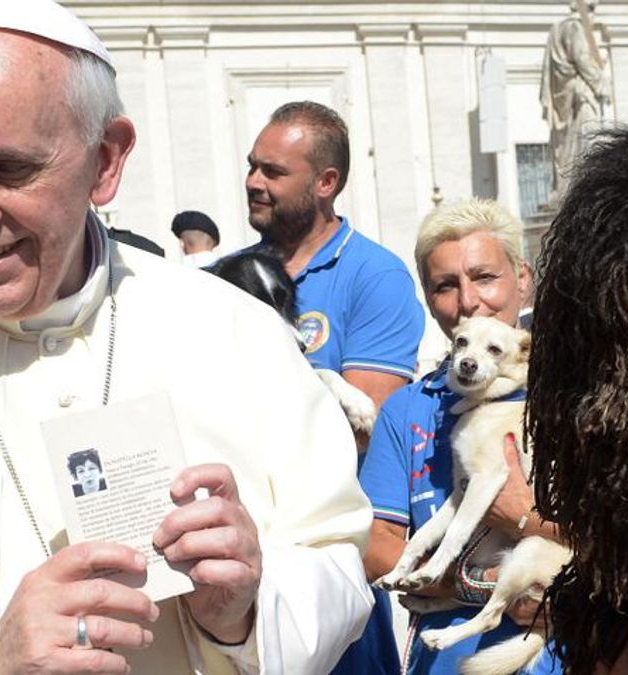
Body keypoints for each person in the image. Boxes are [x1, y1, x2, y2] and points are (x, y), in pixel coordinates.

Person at [0, 1, 373, 673]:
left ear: (106, 161)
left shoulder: (235, 332)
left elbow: (335, 557)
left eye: (7, 168)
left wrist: (248, 609)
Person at [359, 198, 628, 674]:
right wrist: (486, 583)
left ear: (522, 277)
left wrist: (526, 521)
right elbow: (376, 549)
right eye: (445, 286)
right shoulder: (407, 408)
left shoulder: (591, 391)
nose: (469, 300)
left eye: (484, 277)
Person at [246, 100, 425, 674]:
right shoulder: (229, 276)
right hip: (240, 556)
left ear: (326, 182)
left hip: (329, 558)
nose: (253, 182)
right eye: (252, 166)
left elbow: (367, 426)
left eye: (273, 172)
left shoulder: (373, 275)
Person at [540, 0, 611, 206]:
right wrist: (600, 84)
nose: (593, 15)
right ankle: (578, 186)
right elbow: (581, 58)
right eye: (592, 9)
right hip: (579, 94)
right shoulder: (573, 27)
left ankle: (568, 185)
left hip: (563, 95)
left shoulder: (556, 29)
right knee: (586, 135)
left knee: (566, 142)